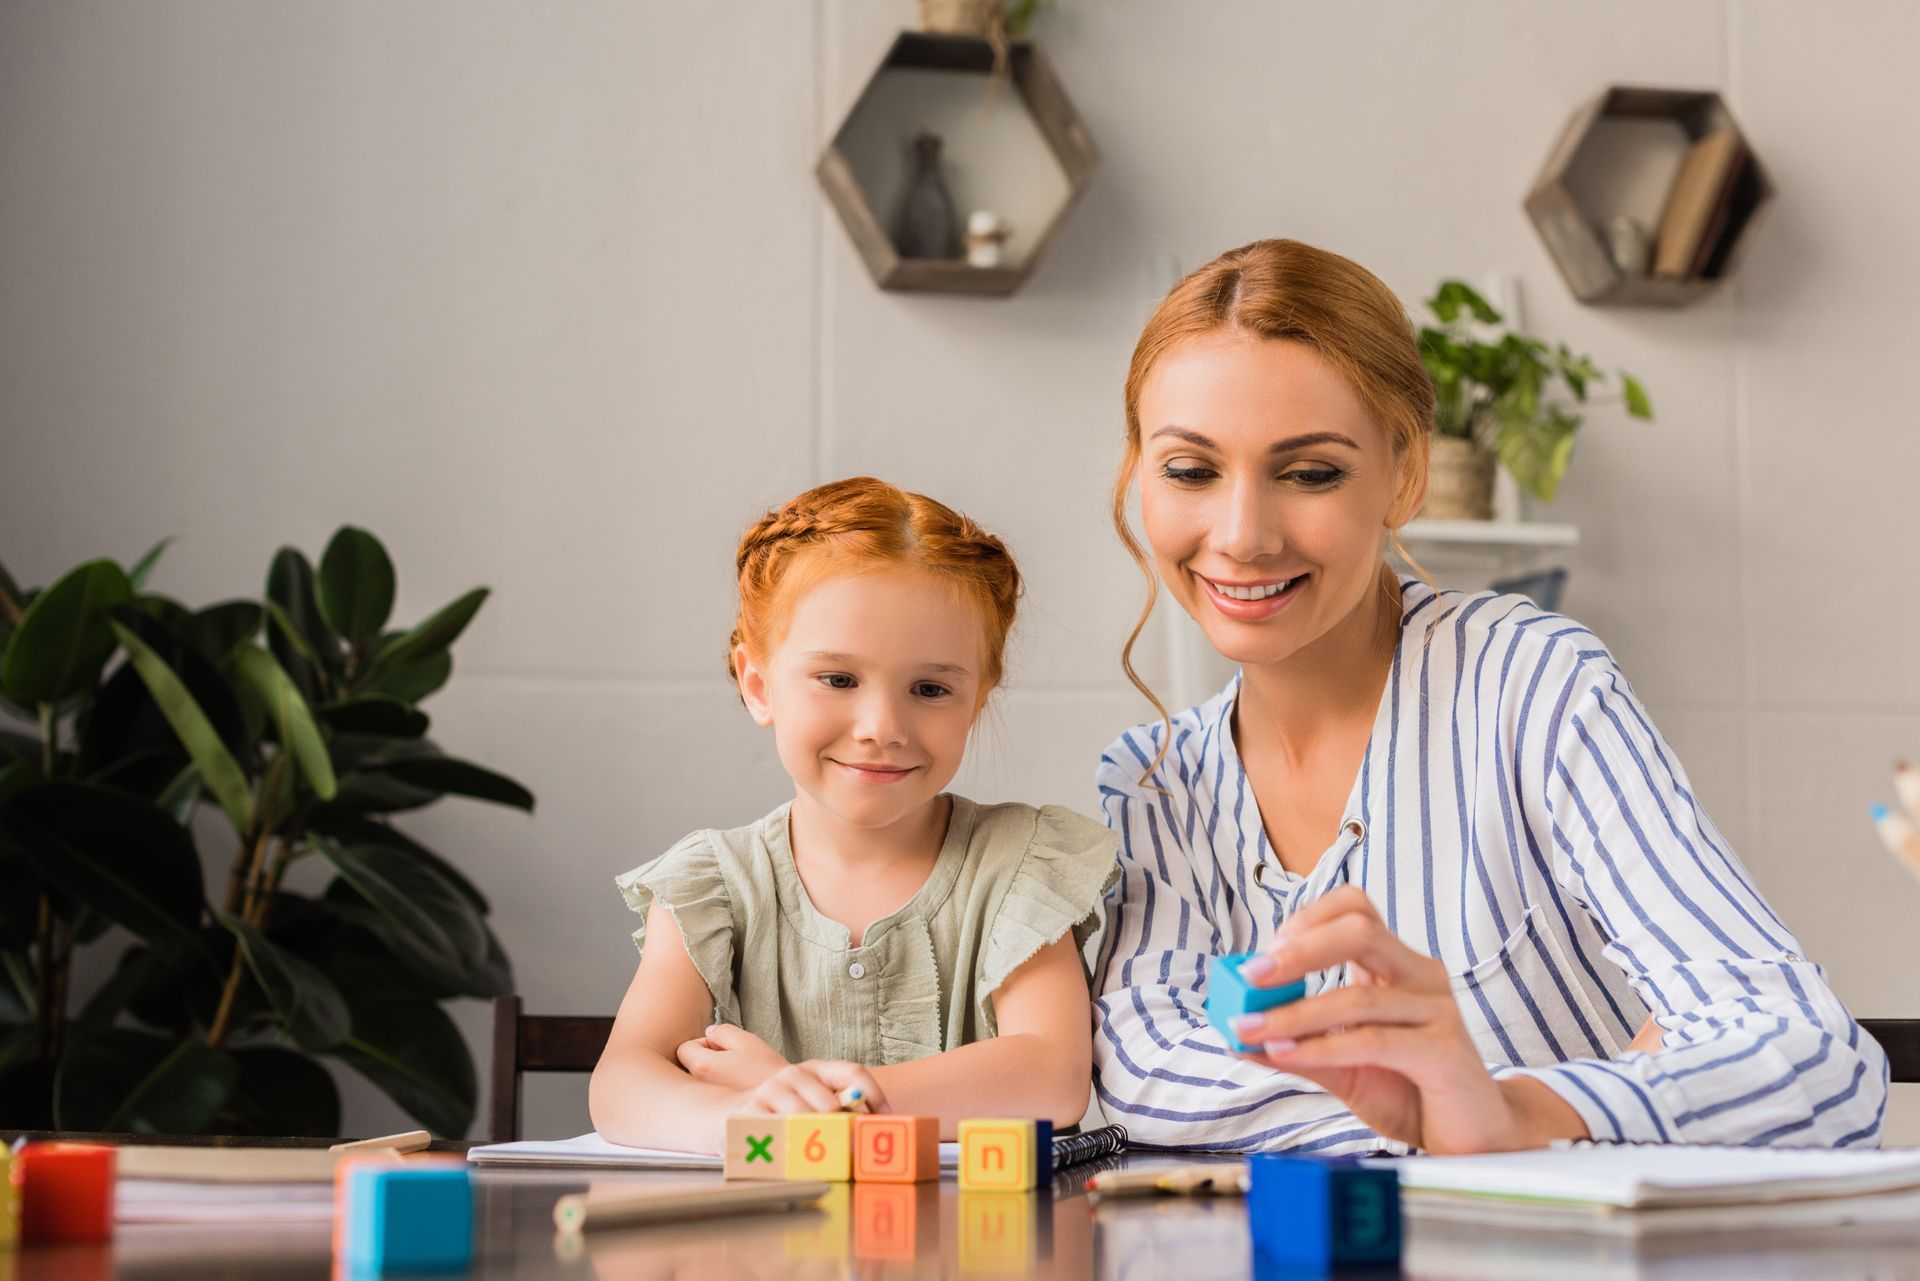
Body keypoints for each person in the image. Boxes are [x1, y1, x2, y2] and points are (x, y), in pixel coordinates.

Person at [1092, 238, 1886, 1154]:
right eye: (1191, 471)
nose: (1242, 535)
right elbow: (1144, 1075)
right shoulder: (1155, 783)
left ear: (1405, 473)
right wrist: (1450, 1110)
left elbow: (1815, 1055)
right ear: (1138, 475)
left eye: (1311, 472)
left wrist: (1512, 1115)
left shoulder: (1531, 684)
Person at [590, 477, 1117, 1152]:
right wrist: (759, 1114)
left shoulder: (1020, 863)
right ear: (758, 685)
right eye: (838, 679)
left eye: (930, 688)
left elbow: (1051, 1074)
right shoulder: (711, 884)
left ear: (977, 699)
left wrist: (825, 1100)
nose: (882, 726)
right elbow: (622, 1083)